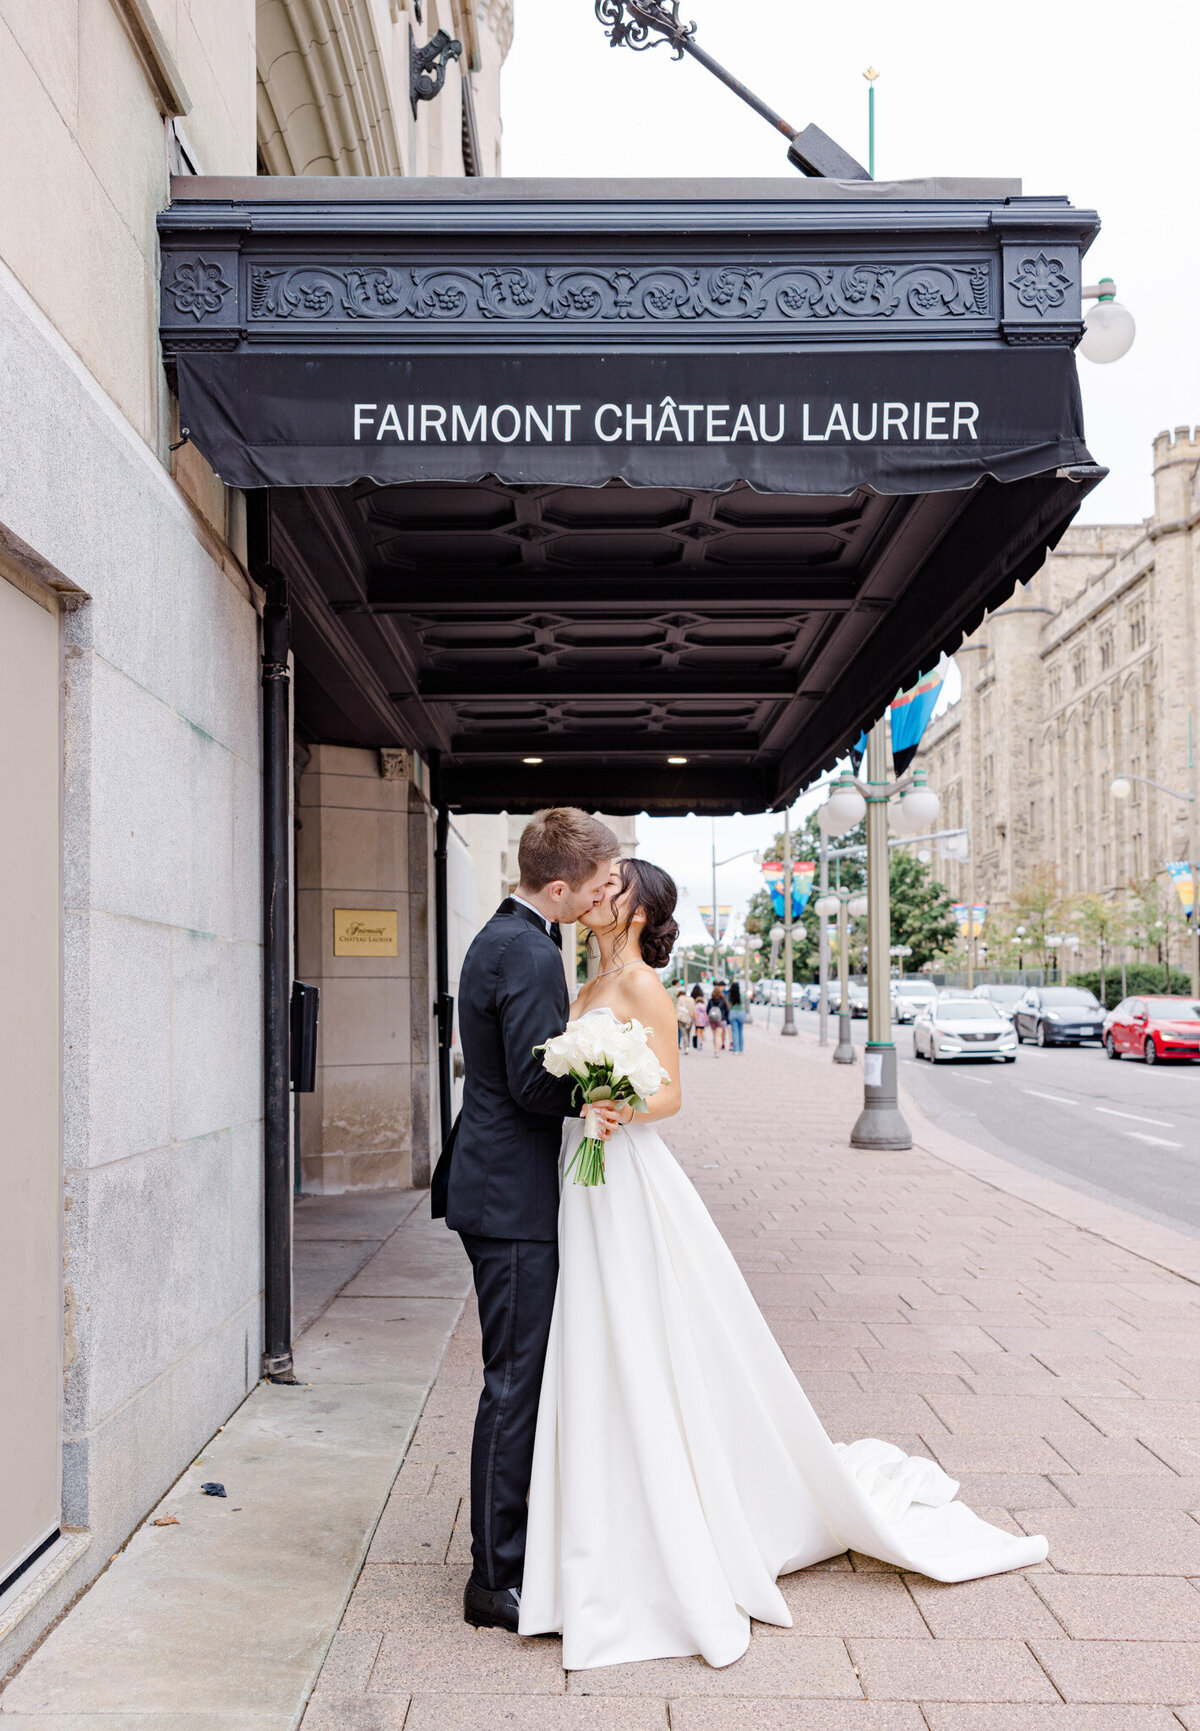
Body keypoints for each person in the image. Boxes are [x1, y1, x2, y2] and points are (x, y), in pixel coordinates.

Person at [517, 856, 1048, 1671]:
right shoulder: (576, 979)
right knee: (591, 1332)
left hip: (624, 1172)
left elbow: (671, 1095)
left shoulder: (646, 990)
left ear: (634, 910)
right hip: (581, 1173)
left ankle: (666, 1513)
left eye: (614, 885)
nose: (598, 893)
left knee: (635, 1323)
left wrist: (613, 1099)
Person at [430, 806, 619, 1634]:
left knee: (516, 1376)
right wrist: (606, 1085)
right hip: (508, 1198)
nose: (595, 901)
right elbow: (536, 1083)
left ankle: (509, 1549)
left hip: (497, 1184)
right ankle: (494, 1576)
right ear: (556, 886)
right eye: (591, 888)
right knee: (513, 1383)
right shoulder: (533, 950)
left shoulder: (502, 938)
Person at [707, 982, 729, 1053]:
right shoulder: (723, 1001)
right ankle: (717, 1050)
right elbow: (726, 1011)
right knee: (718, 1035)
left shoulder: (710, 1001)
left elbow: (707, 1011)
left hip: (712, 1020)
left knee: (714, 1036)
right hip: (721, 1020)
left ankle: (715, 1049)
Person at [673, 983, 695, 1053]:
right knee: (688, 1033)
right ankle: (688, 1045)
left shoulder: (680, 998)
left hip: (682, 1018)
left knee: (683, 1032)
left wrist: (676, 1017)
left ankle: (686, 1047)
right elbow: (693, 1010)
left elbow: (678, 1008)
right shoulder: (691, 999)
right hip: (690, 1018)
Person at [727, 980, 745, 1053]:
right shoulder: (742, 995)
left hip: (732, 1013)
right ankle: (741, 1049)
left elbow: (728, 1005)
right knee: (740, 1031)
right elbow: (748, 997)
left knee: (734, 1031)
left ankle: (736, 1049)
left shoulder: (729, 995)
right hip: (741, 1013)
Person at [690, 983, 708, 1050]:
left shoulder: (693, 997)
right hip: (702, 1019)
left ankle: (696, 1042)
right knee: (702, 1031)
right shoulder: (702, 999)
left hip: (696, 1017)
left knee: (696, 1030)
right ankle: (701, 1042)